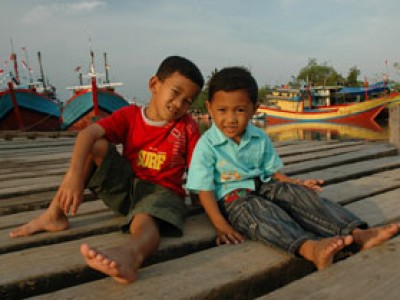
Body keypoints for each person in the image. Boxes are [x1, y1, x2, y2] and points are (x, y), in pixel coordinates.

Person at [9, 56, 205, 283]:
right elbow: (87, 134)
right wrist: (73, 177)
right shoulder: (130, 116)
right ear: (154, 85)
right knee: (97, 145)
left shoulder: (187, 127)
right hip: (127, 188)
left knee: (145, 220)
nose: (179, 105)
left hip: (161, 194)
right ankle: (55, 214)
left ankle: (130, 255)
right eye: (175, 93)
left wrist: (200, 202)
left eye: (187, 101)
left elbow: (197, 170)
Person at [186, 66, 399, 270]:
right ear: (209, 108)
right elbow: (204, 190)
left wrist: (294, 184)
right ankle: (311, 248)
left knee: (298, 196)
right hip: (234, 198)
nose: (230, 119)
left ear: (254, 109)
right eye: (222, 110)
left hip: (264, 185)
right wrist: (220, 225)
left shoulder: (259, 136)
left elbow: (272, 173)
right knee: (261, 214)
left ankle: (358, 234)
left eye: (240, 110)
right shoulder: (206, 145)